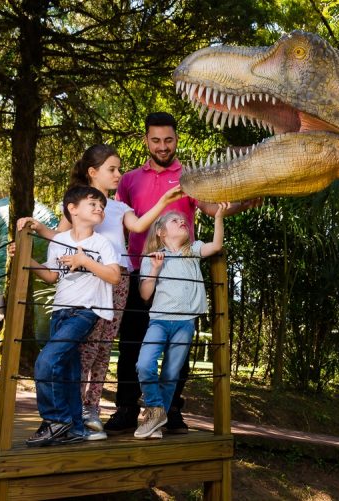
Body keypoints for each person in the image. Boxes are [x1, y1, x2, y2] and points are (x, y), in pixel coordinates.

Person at [105, 111, 257, 434]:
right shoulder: (129, 180)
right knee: (133, 345)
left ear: (176, 139)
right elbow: (119, 220)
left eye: (168, 140)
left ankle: (169, 410)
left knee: (178, 350)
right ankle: (127, 409)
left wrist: (246, 202)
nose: (162, 146)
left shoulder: (189, 176)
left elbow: (215, 209)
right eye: (156, 140)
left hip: (177, 279)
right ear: (146, 140)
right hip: (138, 271)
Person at [18, 144, 184, 436]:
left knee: (104, 349)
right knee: (85, 349)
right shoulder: (79, 205)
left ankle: (91, 408)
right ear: (93, 172)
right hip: (85, 286)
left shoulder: (118, 207)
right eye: (112, 169)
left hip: (117, 281)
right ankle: (75, 411)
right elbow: (62, 240)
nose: (119, 174)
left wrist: (164, 201)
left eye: (120, 168)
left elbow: (142, 224)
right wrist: (39, 229)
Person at [16, 186, 121, 446]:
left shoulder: (102, 243)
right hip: (61, 311)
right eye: (93, 203)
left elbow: (114, 276)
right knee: (68, 372)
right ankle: (75, 428)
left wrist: (85, 261)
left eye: (102, 206)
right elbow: (52, 276)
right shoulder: (58, 242)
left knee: (46, 361)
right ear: (72, 209)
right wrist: (26, 259)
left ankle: (55, 420)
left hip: (86, 312)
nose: (99, 208)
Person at [133, 205, 226, 439]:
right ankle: (155, 409)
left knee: (171, 374)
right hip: (159, 322)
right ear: (161, 232)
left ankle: (154, 423)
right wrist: (154, 268)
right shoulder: (152, 257)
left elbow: (216, 246)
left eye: (183, 220)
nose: (181, 222)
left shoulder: (192, 250)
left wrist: (218, 217)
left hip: (185, 323)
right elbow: (145, 294)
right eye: (174, 221)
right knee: (144, 365)